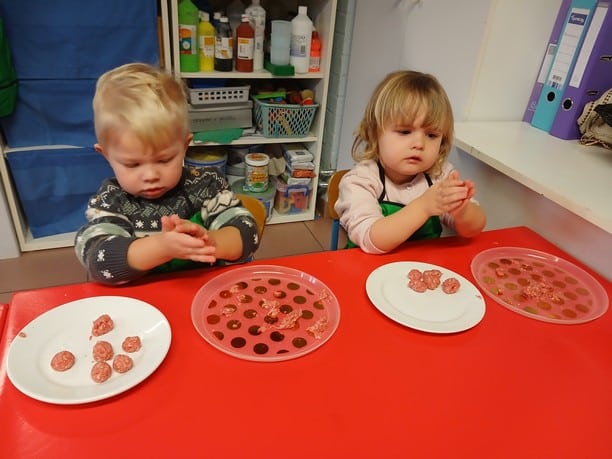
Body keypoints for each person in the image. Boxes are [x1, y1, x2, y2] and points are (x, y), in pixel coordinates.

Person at [75, 63, 260, 285]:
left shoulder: (206, 185)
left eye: (164, 160)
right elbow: (98, 261)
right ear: (106, 155)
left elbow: (248, 234)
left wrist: (207, 240)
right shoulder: (110, 201)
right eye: (133, 164)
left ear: (184, 146)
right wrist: (162, 247)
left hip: (203, 292)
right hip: (142, 300)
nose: (150, 175)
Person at [334, 70, 486, 253]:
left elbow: (474, 228)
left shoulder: (440, 175)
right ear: (374, 133)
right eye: (405, 132)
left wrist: (461, 211)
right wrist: (424, 206)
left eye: (431, 135)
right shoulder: (360, 181)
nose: (419, 144)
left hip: (422, 266)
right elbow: (370, 239)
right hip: (368, 266)